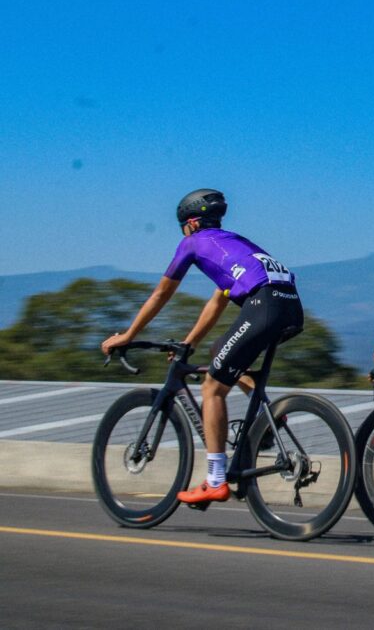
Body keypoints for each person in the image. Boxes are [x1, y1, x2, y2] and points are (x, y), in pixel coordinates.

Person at [101, 189, 304, 505]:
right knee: (220, 356)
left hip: (263, 305)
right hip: (290, 307)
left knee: (212, 388)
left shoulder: (193, 243)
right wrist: (190, 343)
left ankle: (215, 479)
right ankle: (269, 418)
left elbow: (160, 295)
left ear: (192, 223)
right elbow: (218, 302)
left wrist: (128, 334)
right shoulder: (232, 244)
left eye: (183, 227)